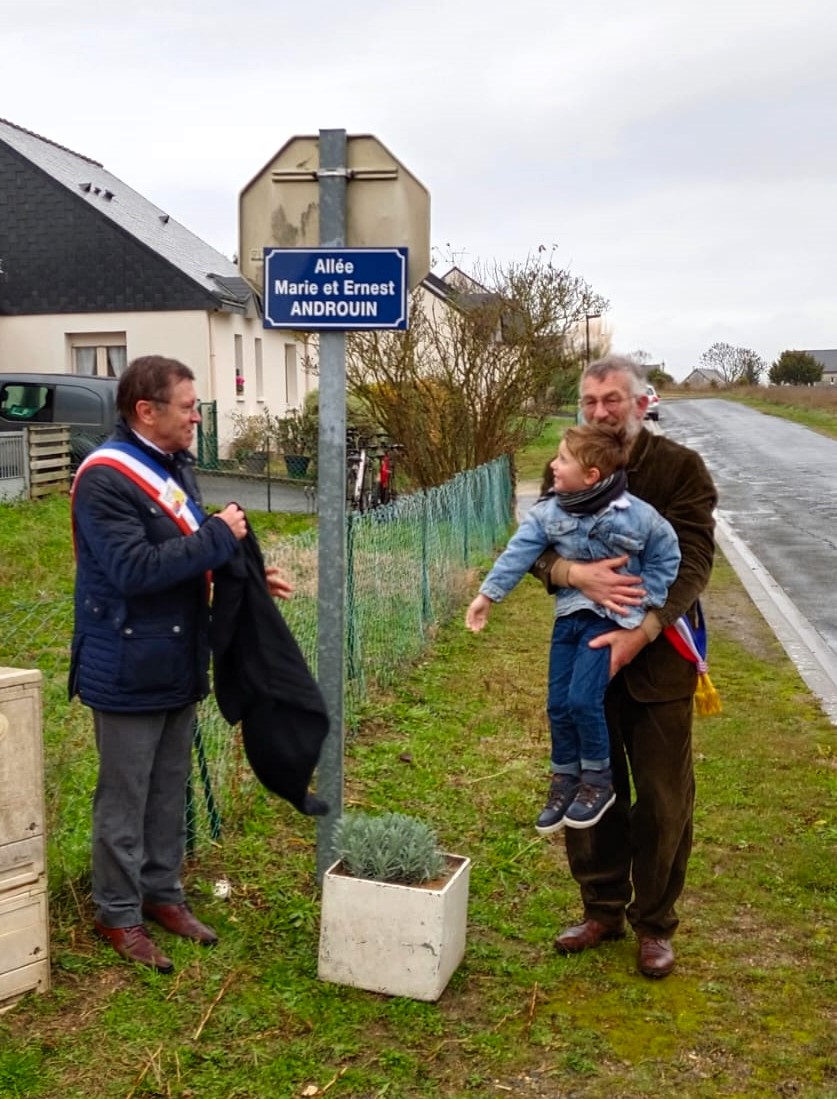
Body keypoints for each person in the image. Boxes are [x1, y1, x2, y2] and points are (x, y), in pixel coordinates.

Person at [69, 355, 291, 973]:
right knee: (124, 797)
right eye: (188, 405)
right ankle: (117, 913)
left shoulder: (173, 466)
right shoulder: (106, 479)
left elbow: (186, 550)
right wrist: (222, 537)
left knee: (170, 790)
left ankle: (163, 895)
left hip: (175, 655)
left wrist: (243, 575)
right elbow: (135, 571)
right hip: (126, 662)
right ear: (147, 410)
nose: (198, 415)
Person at [529, 355, 717, 979]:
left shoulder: (679, 470)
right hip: (585, 661)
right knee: (592, 788)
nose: (601, 412)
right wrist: (570, 573)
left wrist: (642, 633)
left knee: (663, 802)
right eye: (591, 402)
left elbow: (692, 563)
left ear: (641, 403)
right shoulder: (567, 460)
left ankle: (656, 925)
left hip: (658, 667)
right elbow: (538, 549)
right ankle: (602, 909)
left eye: (613, 400)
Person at [466, 424, 681, 833]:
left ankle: (598, 780)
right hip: (569, 620)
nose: (553, 465)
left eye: (562, 459)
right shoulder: (550, 512)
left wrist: (643, 601)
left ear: (592, 476)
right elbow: (520, 552)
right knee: (558, 703)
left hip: (608, 622)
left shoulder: (637, 516)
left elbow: (667, 553)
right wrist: (488, 596)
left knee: (584, 699)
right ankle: (565, 776)